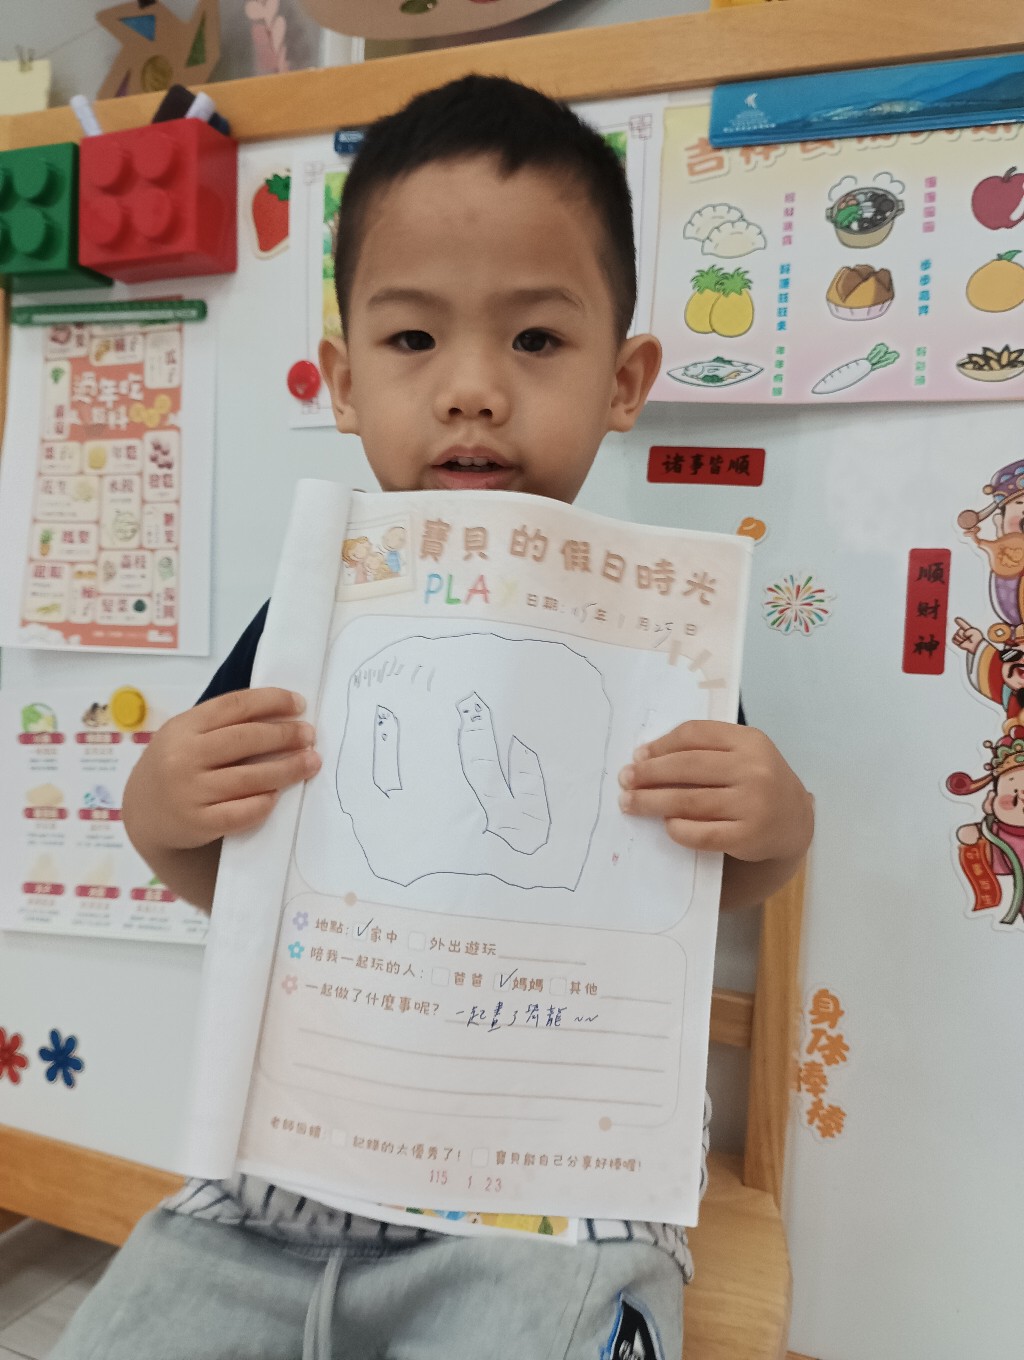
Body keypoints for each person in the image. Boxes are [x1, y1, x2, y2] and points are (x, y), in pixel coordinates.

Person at [53, 76, 813, 1360]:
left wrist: (776, 823)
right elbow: (225, 870)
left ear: (624, 379)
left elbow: (703, 886)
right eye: (413, 340)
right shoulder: (312, 612)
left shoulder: (654, 628)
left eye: (536, 340)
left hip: (555, 1203)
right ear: (344, 381)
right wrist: (160, 800)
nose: (472, 390)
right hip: (275, 1182)